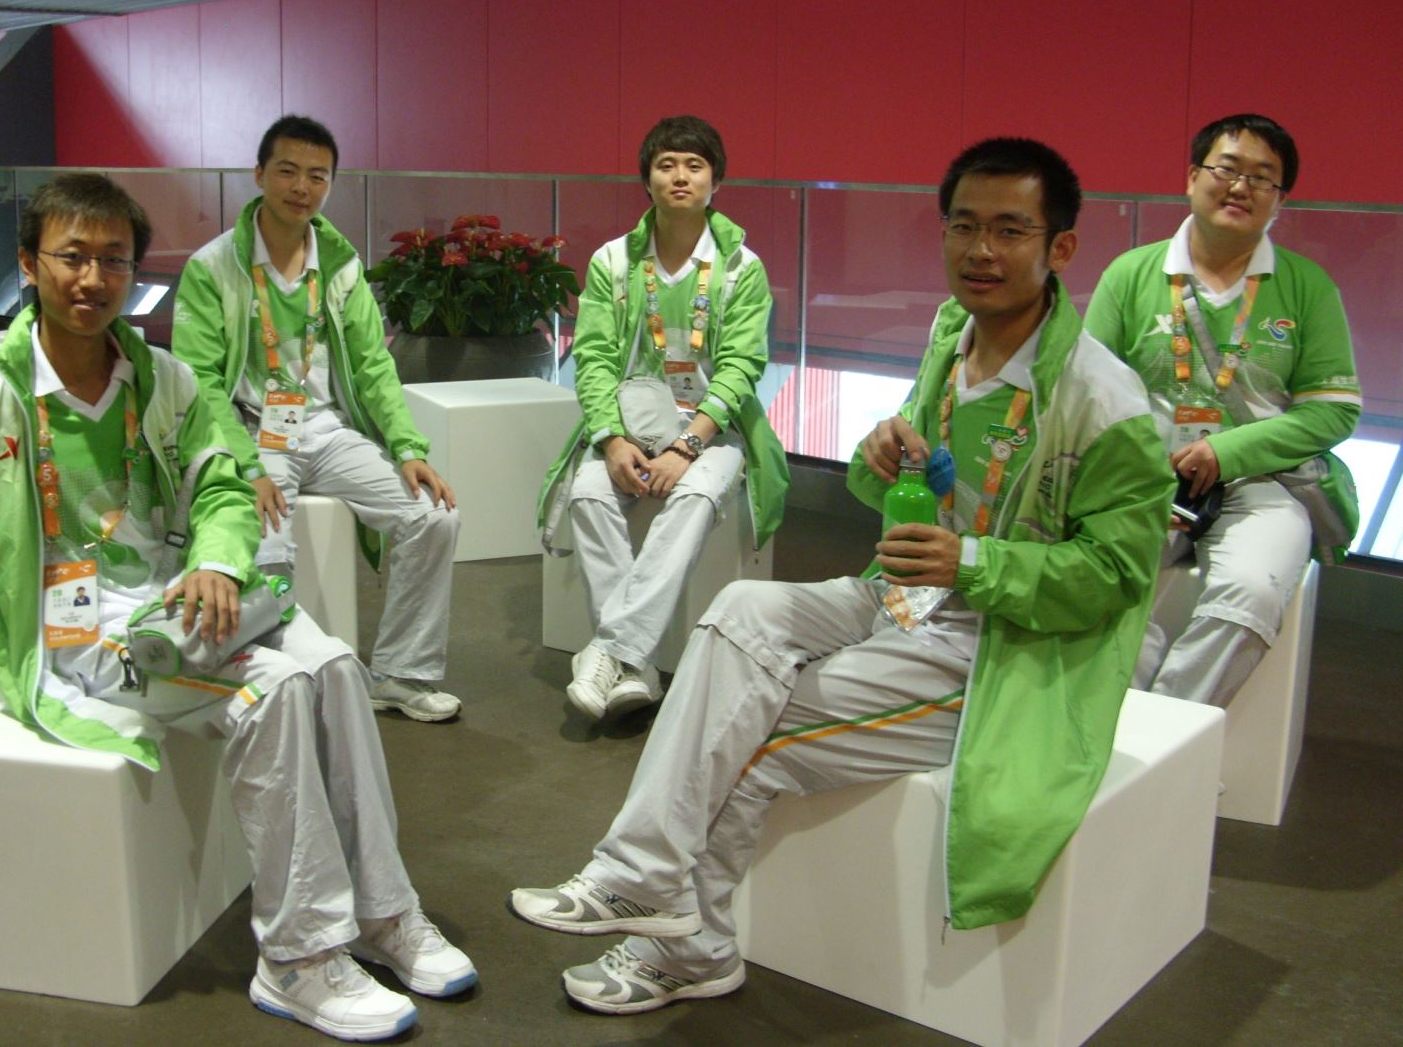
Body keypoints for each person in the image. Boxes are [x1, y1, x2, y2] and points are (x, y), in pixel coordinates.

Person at [510, 138, 1171, 1014]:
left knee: (752, 728)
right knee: (738, 610)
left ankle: (687, 948)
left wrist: (974, 562)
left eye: (1010, 230)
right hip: (905, 597)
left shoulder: (1104, 400)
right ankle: (640, 875)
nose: (981, 249)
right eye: (964, 226)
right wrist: (878, 456)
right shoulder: (952, 337)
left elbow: (1120, 575)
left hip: (1006, 641)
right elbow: (893, 488)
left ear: (1062, 247)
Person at [0, 175, 474, 1042]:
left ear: (133, 271)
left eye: (113, 260)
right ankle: (299, 956)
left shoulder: (165, 380)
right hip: (81, 633)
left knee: (338, 667)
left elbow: (225, 486)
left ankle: (383, 913)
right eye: (72, 257)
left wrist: (217, 562)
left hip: (182, 602)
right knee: (271, 691)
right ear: (29, 264)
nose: (92, 279)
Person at [173, 115, 462, 723]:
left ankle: (401, 674)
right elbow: (199, 381)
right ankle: (281, 681)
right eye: (287, 171)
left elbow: (374, 363)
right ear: (259, 175)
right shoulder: (213, 267)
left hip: (326, 430)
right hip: (253, 431)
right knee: (266, 542)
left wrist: (408, 448)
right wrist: (244, 466)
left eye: (316, 176)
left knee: (432, 516)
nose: (301, 187)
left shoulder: (339, 263)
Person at [1085, 114, 1362, 706]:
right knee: (1103, 583)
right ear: (1193, 176)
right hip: (1145, 479)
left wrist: (1225, 451)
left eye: (1263, 178)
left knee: (1252, 596)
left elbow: (1333, 412)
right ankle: (1112, 721)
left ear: (1280, 199)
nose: (1241, 187)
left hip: (1262, 481)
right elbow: (1087, 394)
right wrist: (1136, 467)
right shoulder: (1131, 275)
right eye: (1228, 169)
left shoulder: (1308, 287)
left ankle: (1171, 730)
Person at [538, 115, 788, 723]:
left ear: (715, 182)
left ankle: (611, 651)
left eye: (694, 165)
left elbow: (742, 366)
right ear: (646, 178)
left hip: (714, 428)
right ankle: (639, 666)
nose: (680, 176)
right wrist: (611, 440)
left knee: (695, 498)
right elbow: (594, 359)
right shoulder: (613, 261)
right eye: (666, 164)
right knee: (589, 493)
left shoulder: (741, 266)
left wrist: (687, 446)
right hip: (629, 422)